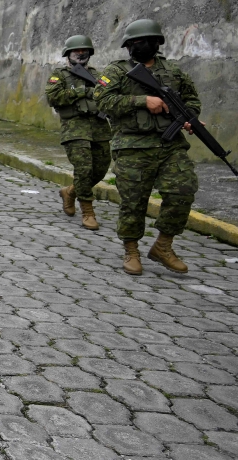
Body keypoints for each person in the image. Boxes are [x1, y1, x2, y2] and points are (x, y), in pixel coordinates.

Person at [96, 19, 200, 276]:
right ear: (128, 46)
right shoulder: (116, 71)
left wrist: (189, 117)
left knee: (183, 191)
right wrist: (142, 101)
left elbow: (191, 99)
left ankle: (163, 246)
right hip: (132, 146)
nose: (139, 46)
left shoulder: (174, 71)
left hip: (170, 144)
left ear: (157, 43)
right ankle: (131, 250)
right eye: (134, 43)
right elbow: (102, 100)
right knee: (134, 202)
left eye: (144, 42)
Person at [45, 35, 111, 231]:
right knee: (83, 169)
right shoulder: (60, 75)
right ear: (68, 54)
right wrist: (81, 90)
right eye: (76, 51)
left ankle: (70, 192)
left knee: (100, 168)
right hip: (74, 127)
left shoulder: (98, 75)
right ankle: (88, 212)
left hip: (99, 127)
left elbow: (110, 95)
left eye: (85, 51)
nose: (81, 54)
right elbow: (52, 97)